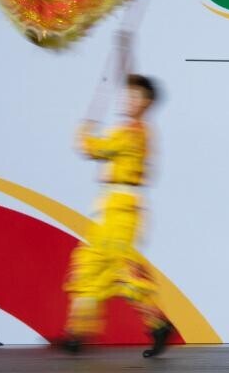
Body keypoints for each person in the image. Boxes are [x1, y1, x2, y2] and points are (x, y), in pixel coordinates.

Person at [61, 71, 173, 358]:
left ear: (147, 102)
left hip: (122, 207)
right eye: (127, 94)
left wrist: (84, 130)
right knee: (88, 264)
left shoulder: (132, 132)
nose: (127, 99)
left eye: (135, 95)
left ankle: (157, 323)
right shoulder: (134, 130)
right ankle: (77, 333)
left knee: (122, 269)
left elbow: (93, 149)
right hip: (110, 205)